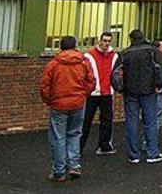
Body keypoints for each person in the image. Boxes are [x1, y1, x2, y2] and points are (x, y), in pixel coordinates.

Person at [41, 36, 95, 182]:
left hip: (58, 104)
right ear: (75, 46)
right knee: (75, 133)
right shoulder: (83, 62)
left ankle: (59, 171)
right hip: (77, 102)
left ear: (61, 47)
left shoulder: (53, 64)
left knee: (58, 137)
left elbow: (45, 86)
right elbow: (91, 81)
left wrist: (49, 100)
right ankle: (74, 165)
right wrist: (84, 95)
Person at [115, 29, 162, 164]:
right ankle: (152, 153)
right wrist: (159, 84)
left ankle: (133, 155)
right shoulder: (151, 51)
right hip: (148, 91)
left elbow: (115, 73)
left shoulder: (125, 53)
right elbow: (161, 68)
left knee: (131, 122)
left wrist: (120, 88)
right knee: (150, 122)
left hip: (130, 91)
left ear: (131, 39)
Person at [81, 32, 118, 156]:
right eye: (105, 41)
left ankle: (104, 146)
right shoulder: (89, 55)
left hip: (107, 92)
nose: (106, 44)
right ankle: (78, 148)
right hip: (93, 93)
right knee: (86, 120)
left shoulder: (115, 56)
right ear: (99, 41)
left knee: (107, 120)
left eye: (109, 41)